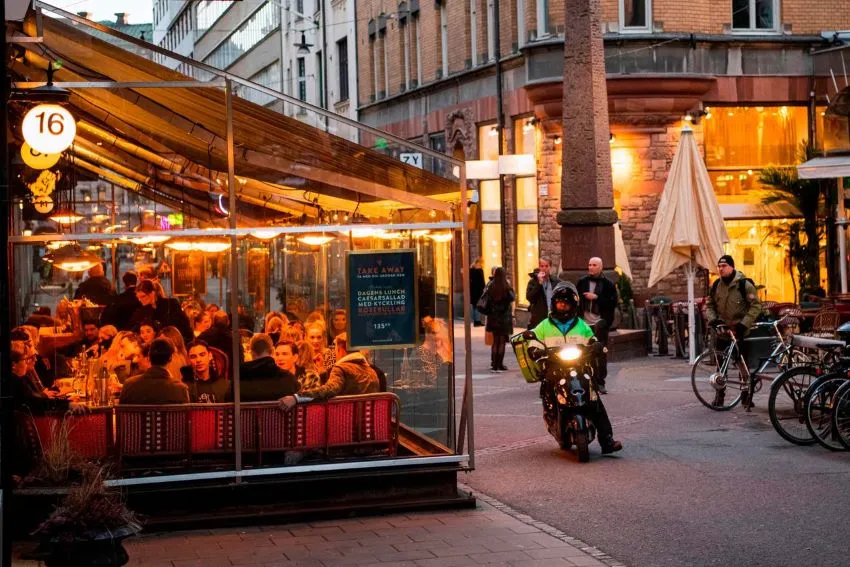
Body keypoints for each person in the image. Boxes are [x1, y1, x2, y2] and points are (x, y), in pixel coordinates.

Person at [529, 282, 623, 454]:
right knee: (549, 388)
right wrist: (534, 348)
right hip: (555, 367)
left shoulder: (581, 324)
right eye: (559, 303)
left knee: (595, 400)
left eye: (566, 303)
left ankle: (607, 441)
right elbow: (534, 339)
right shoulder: (545, 325)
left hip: (578, 367)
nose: (562, 306)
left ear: (573, 304)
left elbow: (591, 339)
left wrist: (596, 345)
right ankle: (552, 416)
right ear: (554, 304)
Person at [706, 254, 763, 407]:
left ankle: (746, 396)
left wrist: (744, 324)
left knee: (742, 365)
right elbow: (710, 305)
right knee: (720, 366)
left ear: (732, 267)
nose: (720, 269)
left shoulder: (744, 284)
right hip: (722, 331)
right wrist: (713, 320)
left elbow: (756, 306)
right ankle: (720, 396)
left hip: (739, 332)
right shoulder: (717, 285)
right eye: (719, 266)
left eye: (724, 266)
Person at [280, 333, 379, 410]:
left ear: (341, 349)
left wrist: (296, 398)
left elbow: (328, 390)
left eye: (335, 350)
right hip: (369, 425)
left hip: (346, 423)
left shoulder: (341, 368)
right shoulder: (371, 371)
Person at [576, 257, 619, 394]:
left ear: (600, 267)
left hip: (600, 324)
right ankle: (585, 382)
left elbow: (612, 303)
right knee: (582, 354)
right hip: (583, 324)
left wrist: (597, 298)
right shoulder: (582, 282)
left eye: (594, 265)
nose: (591, 267)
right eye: (589, 265)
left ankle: (600, 382)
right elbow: (575, 300)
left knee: (600, 354)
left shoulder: (608, 284)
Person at [10, 341, 84, 414]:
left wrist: (65, 402)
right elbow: (37, 403)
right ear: (13, 365)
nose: (27, 363)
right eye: (25, 360)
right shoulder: (15, 382)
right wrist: (67, 404)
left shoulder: (21, 379)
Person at [119, 338, 190, 405]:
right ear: (170, 358)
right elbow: (186, 417)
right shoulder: (180, 389)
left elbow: (121, 416)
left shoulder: (129, 385)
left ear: (149, 358)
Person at [239, 334, 300, 402]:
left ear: (251, 352)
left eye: (284, 354)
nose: (280, 358)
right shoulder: (288, 379)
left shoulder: (239, 376)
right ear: (272, 351)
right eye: (277, 354)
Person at [128, 280, 193, 343]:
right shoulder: (141, 312)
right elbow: (133, 329)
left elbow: (184, 325)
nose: (140, 300)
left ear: (152, 293)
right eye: (138, 297)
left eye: (143, 296)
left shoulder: (170, 304)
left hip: (175, 341)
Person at [483, 267, 515, 372]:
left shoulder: (491, 285)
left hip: (493, 317)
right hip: (504, 318)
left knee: (495, 342)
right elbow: (512, 297)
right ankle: (500, 364)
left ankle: (494, 365)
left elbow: (486, 299)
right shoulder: (506, 286)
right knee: (502, 342)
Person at [526, 258, 561, 329]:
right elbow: (530, 298)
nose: (544, 268)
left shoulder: (556, 281)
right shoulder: (533, 282)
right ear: (539, 267)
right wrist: (539, 284)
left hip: (554, 319)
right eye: (542, 266)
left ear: (550, 267)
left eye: (546, 266)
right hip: (539, 320)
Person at [470, 257, 486, 327]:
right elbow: (482, 282)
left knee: (474, 306)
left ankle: (475, 321)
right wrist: (484, 289)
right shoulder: (479, 271)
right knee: (477, 306)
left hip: (473, 291)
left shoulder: (471, 270)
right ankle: (477, 321)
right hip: (478, 291)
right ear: (479, 263)